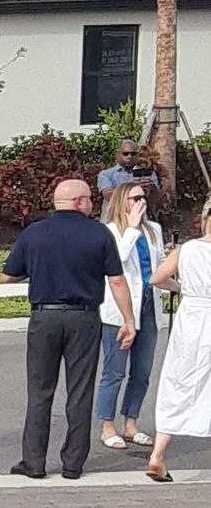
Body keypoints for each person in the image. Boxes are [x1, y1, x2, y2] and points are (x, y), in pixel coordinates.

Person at [1, 179, 135, 480]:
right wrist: (128, 320)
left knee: (39, 391)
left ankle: (33, 462)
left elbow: (7, 276)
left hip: (44, 317)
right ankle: (73, 463)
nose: (91, 204)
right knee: (80, 390)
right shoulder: (98, 234)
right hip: (83, 317)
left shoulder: (34, 232)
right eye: (88, 199)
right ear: (78, 202)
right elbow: (115, 280)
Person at [95, 181, 166, 452]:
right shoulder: (110, 231)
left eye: (143, 198)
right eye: (135, 198)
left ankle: (131, 422)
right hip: (120, 310)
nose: (141, 202)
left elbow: (158, 264)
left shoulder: (154, 230)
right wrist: (132, 229)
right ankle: (107, 426)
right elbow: (117, 261)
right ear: (123, 201)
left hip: (149, 304)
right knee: (114, 370)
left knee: (143, 371)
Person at [145, 201, 211, 483]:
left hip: (192, 316)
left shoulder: (187, 249)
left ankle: (158, 454)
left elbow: (157, 278)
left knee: (178, 378)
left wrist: (184, 287)